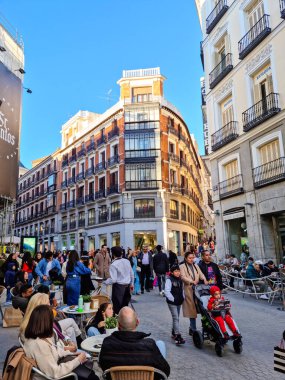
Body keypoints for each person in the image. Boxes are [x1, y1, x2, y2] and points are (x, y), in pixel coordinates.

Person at [23, 304, 99, 380]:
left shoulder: (39, 338)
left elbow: (54, 352)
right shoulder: (39, 345)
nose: (53, 323)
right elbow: (55, 373)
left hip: (55, 369)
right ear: (47, 322)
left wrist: (73, 353)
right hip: (54, 377)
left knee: (89, 373)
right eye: (52, 320)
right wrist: (78, 360)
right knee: (91, 376)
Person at [99, 306, 170, 379]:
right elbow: (165, 371)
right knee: (160, 344)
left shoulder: (107, 342)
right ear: (137, 322)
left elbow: (103, 365)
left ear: (118, 325)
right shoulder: (149, 345)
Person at [180, 251, 208, 336]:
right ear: (186, 258)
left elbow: (201, 274)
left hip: (197, 290)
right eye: (190, 258)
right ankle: (193, 328)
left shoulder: (196, 266)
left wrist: (204, 279)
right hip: (188, 290)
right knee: (192, 310)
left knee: (202, 308)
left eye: (193, 258)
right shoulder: (182, 266)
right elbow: (183, 277)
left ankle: (205, 327)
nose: (191, 259)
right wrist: (191, 281)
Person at [104, 246, 134, 315]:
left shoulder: (114, 264)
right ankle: (124, 322)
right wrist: (132, 284)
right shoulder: (127, 261)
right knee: (125, 307)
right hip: (127, 287)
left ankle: (118, 323)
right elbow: (132, 274)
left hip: (118, 288)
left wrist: (105, 282)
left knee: (117, 308)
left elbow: (113, 280)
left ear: (113, 254)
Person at [164, 265, 185, 345]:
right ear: (172, 272)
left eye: (178, 271)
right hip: (172, 302)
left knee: (176, 318)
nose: (177, 273)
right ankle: (177, 335)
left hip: (179, 301)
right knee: (176, 317)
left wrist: (183, 297)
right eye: (176, 271)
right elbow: (167, 291)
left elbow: (182, 289)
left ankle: (173, 332)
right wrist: (172, 299)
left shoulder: (180, 279)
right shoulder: (169, 280)